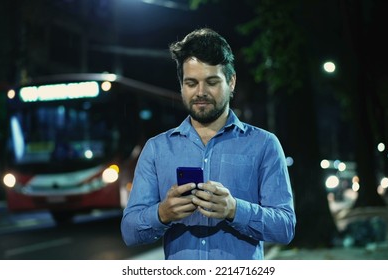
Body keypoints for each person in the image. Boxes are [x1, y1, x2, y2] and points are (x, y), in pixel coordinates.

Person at [121, 28, 296, 260]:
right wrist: (162, 213)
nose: (200, 92)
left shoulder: (264, 144)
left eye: (211, 82)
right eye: (191, 83)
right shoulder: (156, 149)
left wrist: (234, 209)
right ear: (181, 85)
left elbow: (285, 228)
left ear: (231, 82)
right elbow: (129, 232)